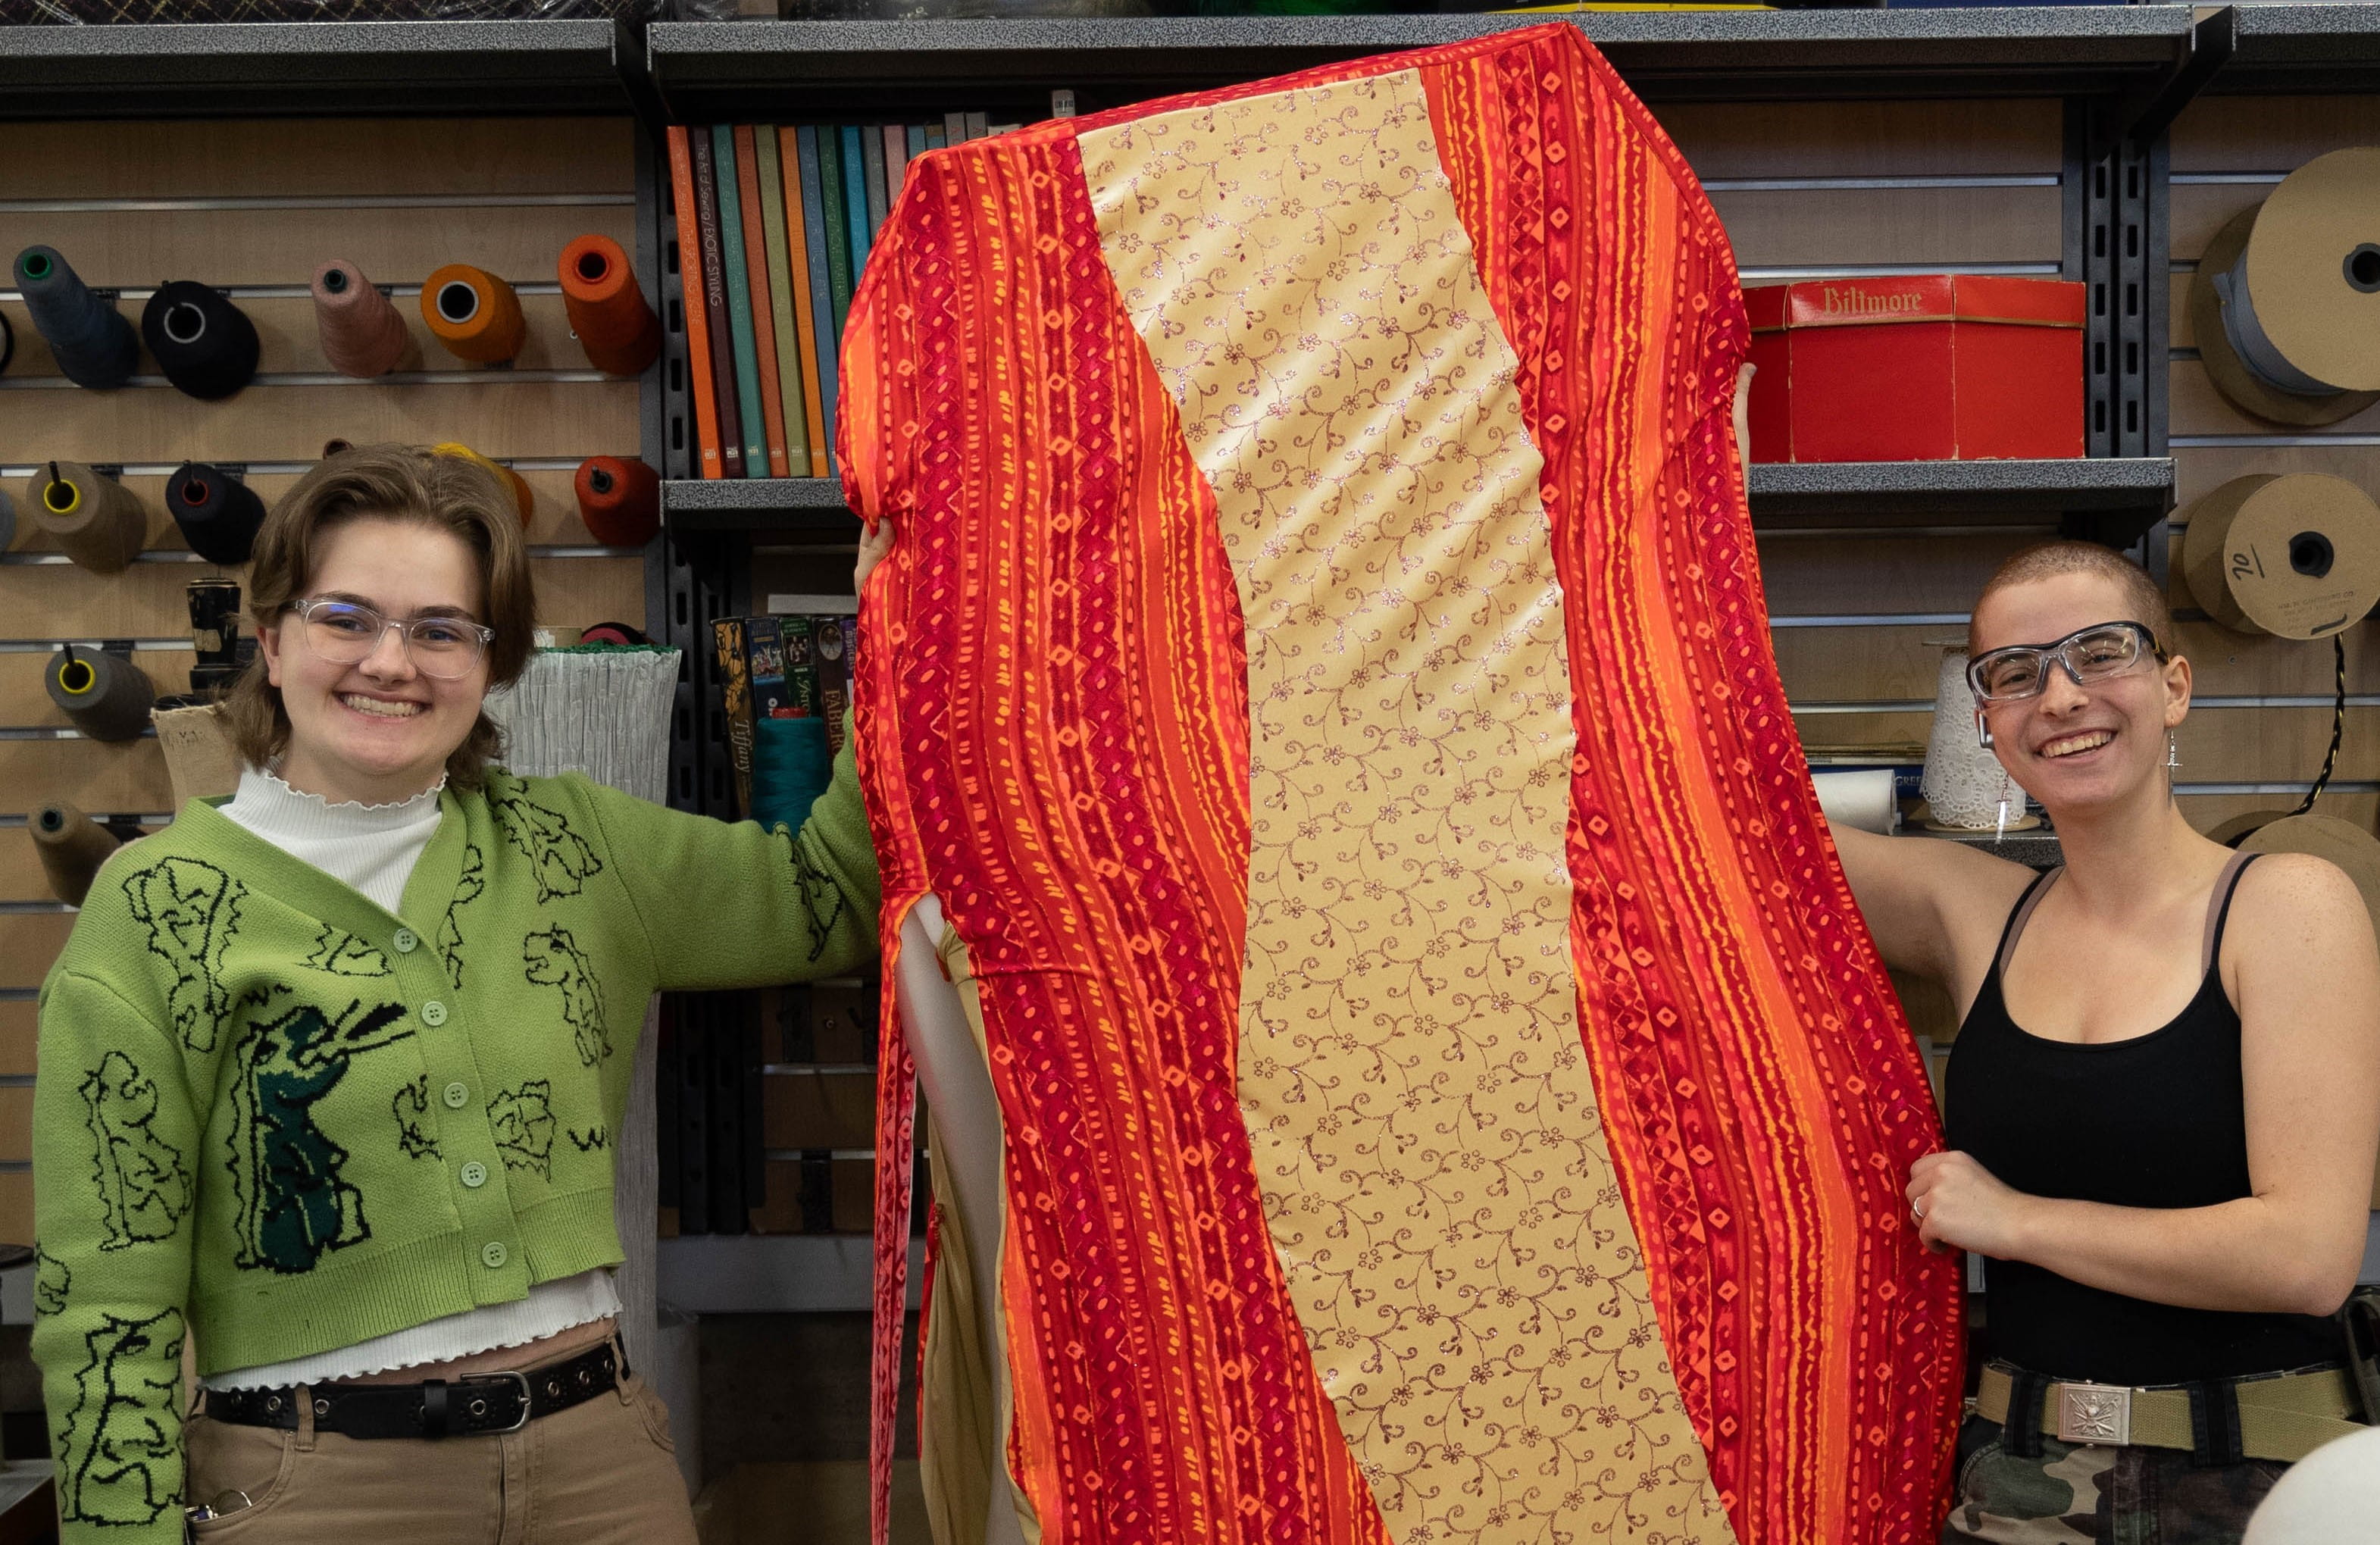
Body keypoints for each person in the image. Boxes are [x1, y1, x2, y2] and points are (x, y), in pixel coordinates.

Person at [30, 444, 896, 1544]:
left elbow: (831, 896)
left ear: (489, 666)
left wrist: (901, 630)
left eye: (441, 629)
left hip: (601, 1472)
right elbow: (105, 1298)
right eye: (347, 617)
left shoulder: (578, 847)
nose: (391, 662)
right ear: (272, 638)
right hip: (311, 1494)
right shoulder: (156, 909)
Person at [1828, 540, 2380, 1544]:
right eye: (2014, 673)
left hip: (2254, 1483)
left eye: (2100, 653)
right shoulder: (1972, 910)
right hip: (2018, 1482)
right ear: (1987, 725)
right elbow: (1729, 820)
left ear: (2173, 685)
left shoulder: (2286, 906)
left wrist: (2012, 1219)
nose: (2060, 694)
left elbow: (2303, 1258)